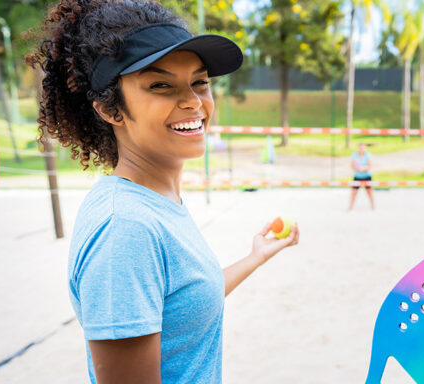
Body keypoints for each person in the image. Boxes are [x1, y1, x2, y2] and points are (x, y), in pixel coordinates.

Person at [27, 1, 299, 382]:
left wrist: (254, 257)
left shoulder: (152, 204)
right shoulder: (125, 228)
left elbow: (181, 304)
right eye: (161, 85)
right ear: (110, 110)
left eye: (200, 82)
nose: (193, 101)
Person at [349, 142, 374, 210]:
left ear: (365, 148)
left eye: (362, 147)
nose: (361, 148)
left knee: (369, 192)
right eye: (360, 147)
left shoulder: (368, 155)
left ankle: (372, 207)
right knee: (354, 192)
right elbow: (352, 165)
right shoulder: (354, 155)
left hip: (366, 176)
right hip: (357, 176)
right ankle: (350, 207)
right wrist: (357, 168)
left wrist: (363, 168)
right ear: (358, 148)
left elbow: (369, 166)